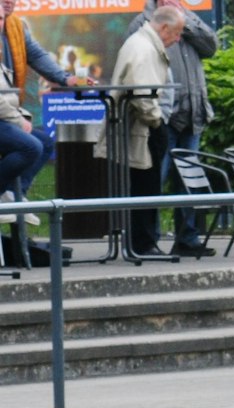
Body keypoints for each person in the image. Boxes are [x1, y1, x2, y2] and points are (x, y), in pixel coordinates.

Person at [125, 0, 215, 258]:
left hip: (193, 113)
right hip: (163, 117)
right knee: (153, 179)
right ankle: (145, 240)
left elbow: (211, 47)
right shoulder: (142, 23)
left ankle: (187, 238)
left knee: (188, 180)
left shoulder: (187, 19)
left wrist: (184, 21)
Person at [0, 0, 90, 215]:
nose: (9, 3)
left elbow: (37, 55)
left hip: (7, 112)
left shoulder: (16, 26)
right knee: (30, 147)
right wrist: (16, 120)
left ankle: (15, 196)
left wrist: (66, 78)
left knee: (45, 143)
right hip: (7, 114)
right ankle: (6, 194)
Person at [103, 5, 179, 256]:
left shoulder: (141, 44)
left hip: (137, 126)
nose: (177, 40)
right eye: (177, 33)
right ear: (164, 27)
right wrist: (157, 122)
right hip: (143, 128)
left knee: (143, 185)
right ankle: (143, 244)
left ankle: (141, 242)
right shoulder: (144, 48)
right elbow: (143, 94)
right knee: (146, 185)